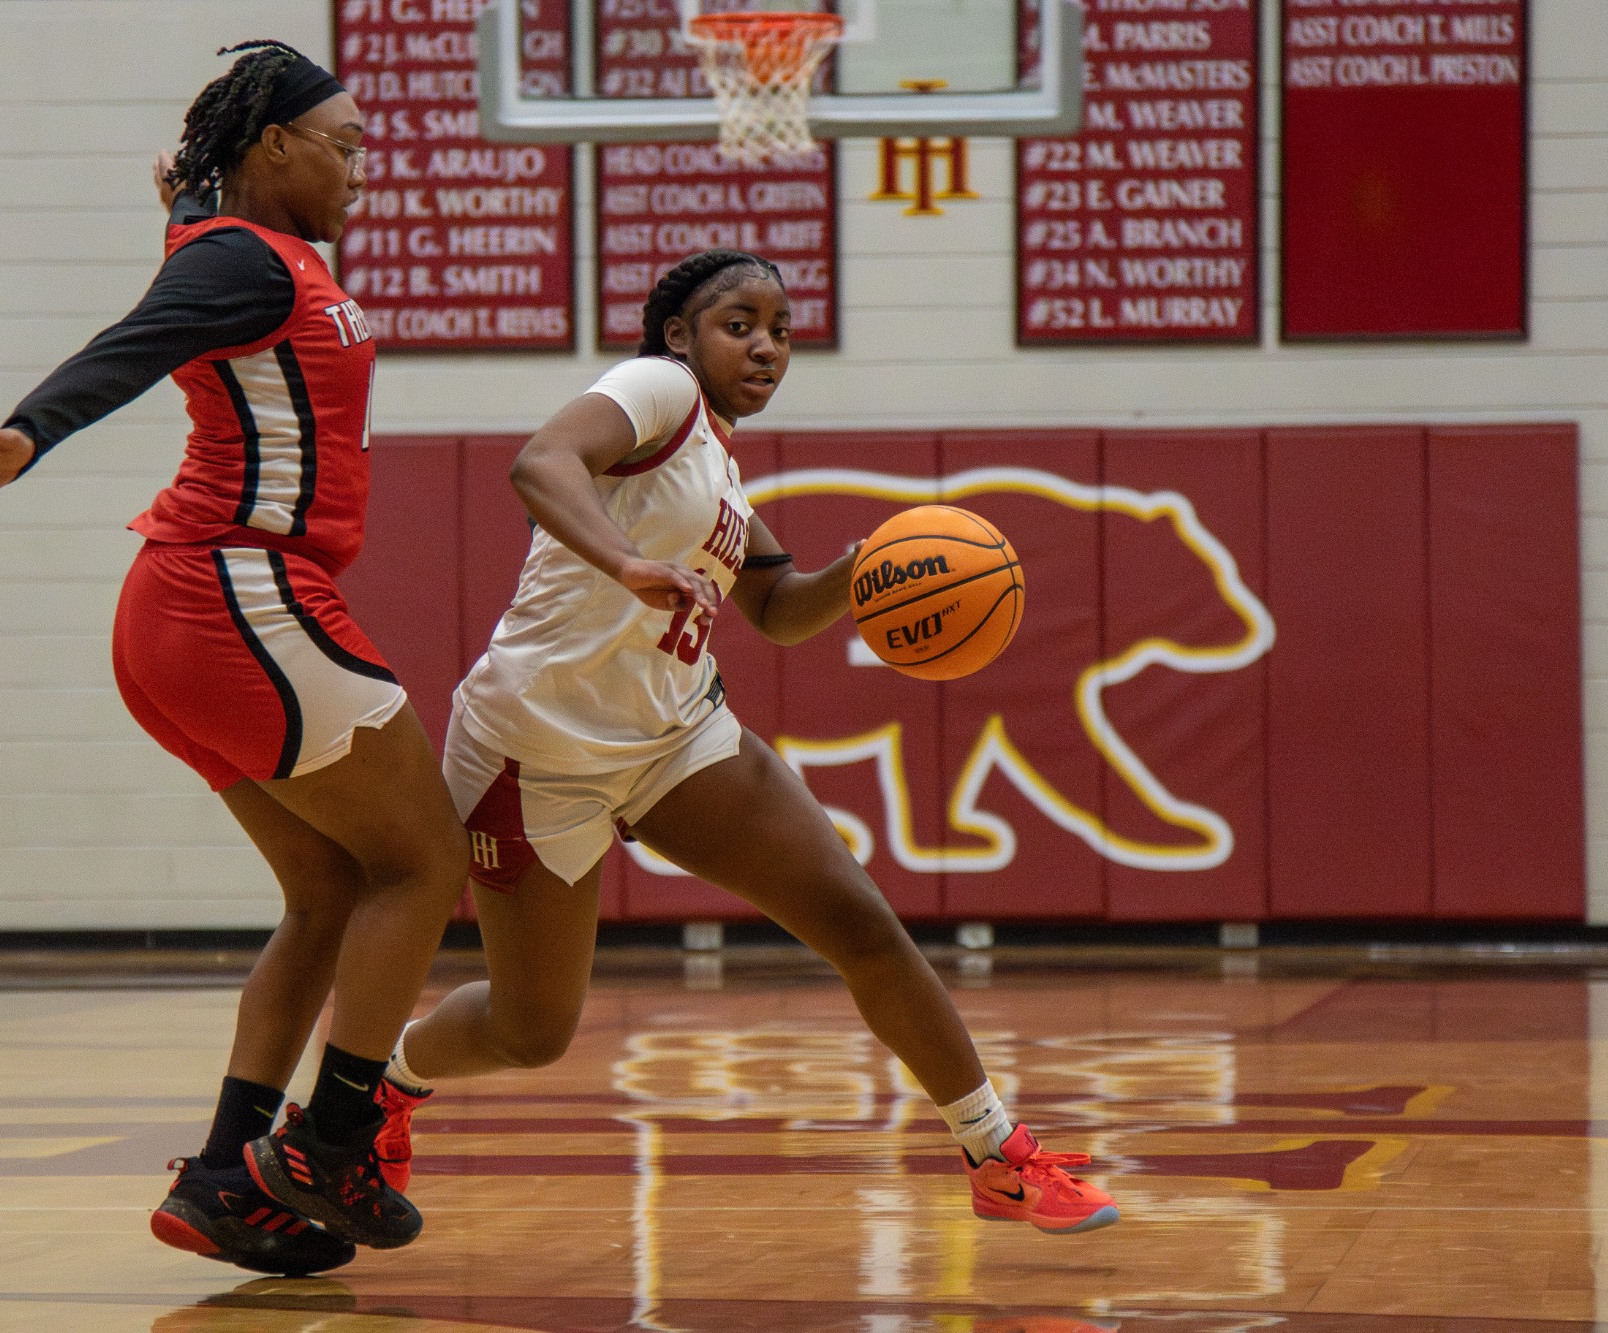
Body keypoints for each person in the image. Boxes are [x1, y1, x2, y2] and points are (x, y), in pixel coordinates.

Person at [370, 249, 1121, 1236]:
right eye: (741, 324)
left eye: (781, 331)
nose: (767, 345)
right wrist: (627, 563)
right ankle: (388, 1083)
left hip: (674, 735)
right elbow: (539, 463)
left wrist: (869, 570)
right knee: (530, 1029)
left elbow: (776, 609)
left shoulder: (719, 469)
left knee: (859, 922)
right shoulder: (657, 388)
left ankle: (998, 1156)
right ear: (680, 334)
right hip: (533, 751)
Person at [0, 40, 465, 1273]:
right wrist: (29, 434)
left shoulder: (233, 243)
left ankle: (227, 1176)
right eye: (344, 146)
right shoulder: (243, 260)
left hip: (180, 611)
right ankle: (330, 1142)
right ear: (274, 147)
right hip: (239, 587)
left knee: (330, 890)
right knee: (422, 860)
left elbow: (188, 255)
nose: (362, 170)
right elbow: (137, 341)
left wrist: (180, 198)